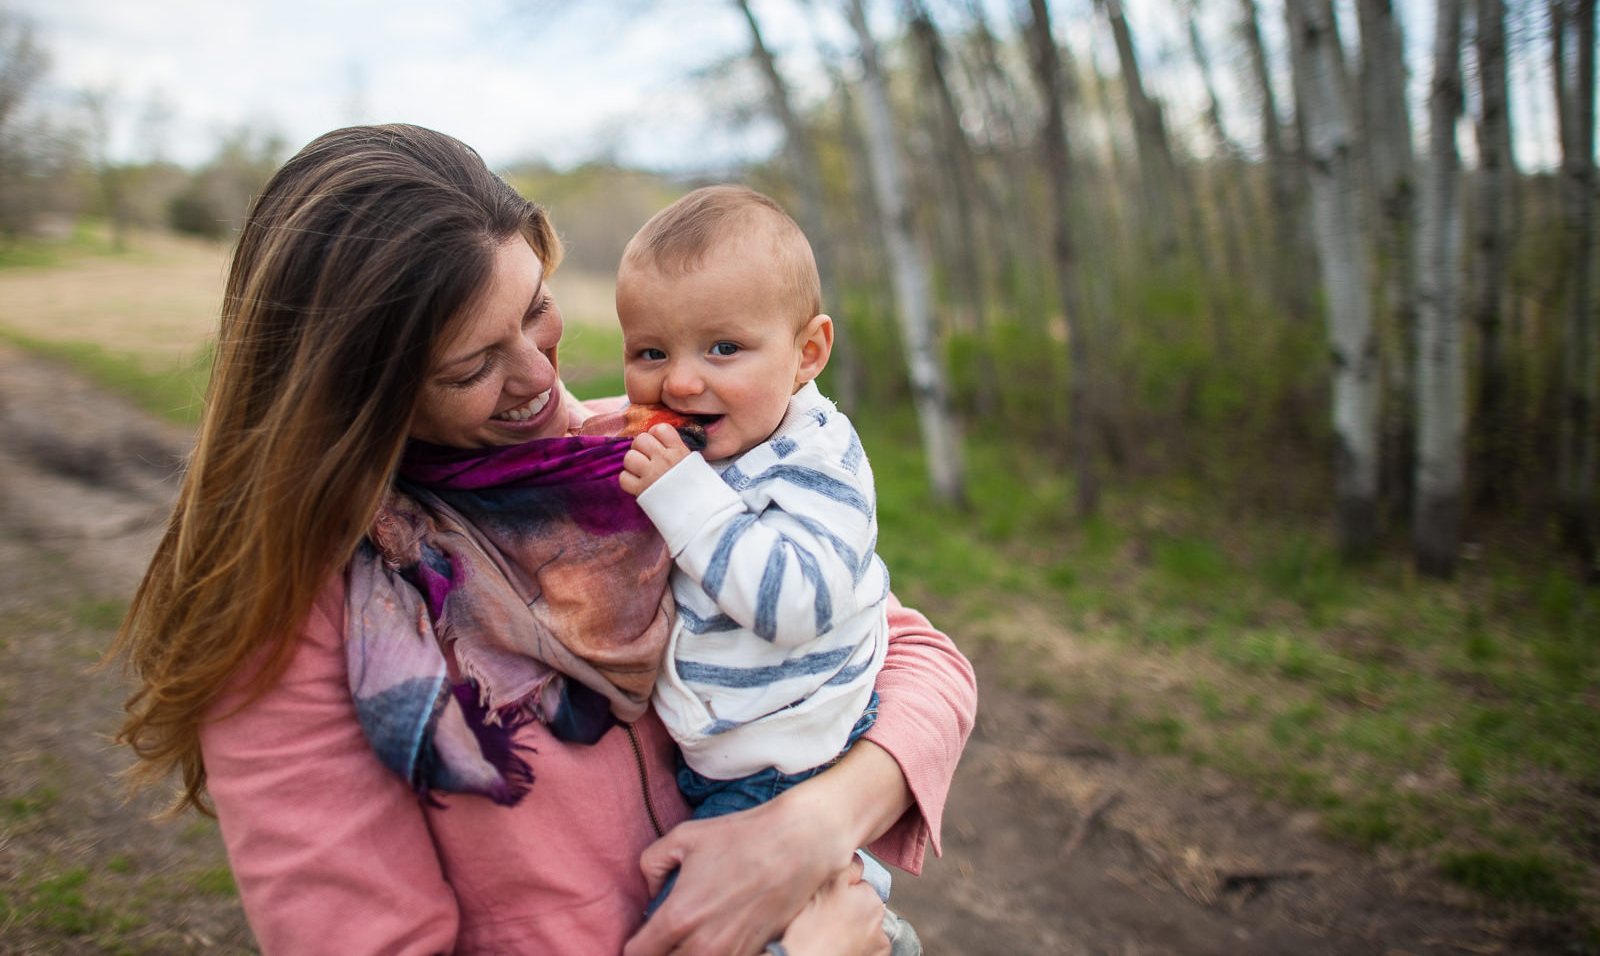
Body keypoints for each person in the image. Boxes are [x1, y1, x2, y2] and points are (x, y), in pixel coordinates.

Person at [107, 124, 977, 956]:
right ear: (360, 396)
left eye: (536, 310)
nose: (537, 377)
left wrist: (813, 828)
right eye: (470, 366)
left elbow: (915, 655)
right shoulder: (291, 622)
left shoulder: (647, 456)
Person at [614, 186, 903, 927]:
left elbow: (793, 603)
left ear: (807, 354)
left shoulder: (816, 461)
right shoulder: (719, 436)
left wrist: (681, 498)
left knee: (700, 921)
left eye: (723, 348)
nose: (679, 381)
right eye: (651, 351)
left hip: (783, 760)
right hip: (734, 752)